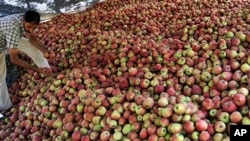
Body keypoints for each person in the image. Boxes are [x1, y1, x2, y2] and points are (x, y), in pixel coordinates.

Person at [0, 10, 53, 117]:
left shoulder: (30, 20)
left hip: (7, 37)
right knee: (0, 78)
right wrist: (36, 70)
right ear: (23, 21)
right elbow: (14, 59)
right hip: (1, 43)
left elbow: (32, 39)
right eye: (29, 27)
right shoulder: (14, 28)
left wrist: (45, 51)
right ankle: (6, 107)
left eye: (33, 27)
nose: (31, 29)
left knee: (32, 48)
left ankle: (48, 73)